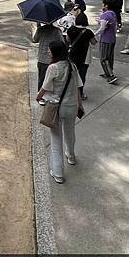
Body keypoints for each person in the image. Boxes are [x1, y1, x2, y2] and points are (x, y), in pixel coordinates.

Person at [36, 40, 84, 184]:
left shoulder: (53, 68)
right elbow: (77, 87)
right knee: (70, 132)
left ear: (55, 52)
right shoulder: (72, 66)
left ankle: (58, 173)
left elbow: (45, 87)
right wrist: (80, 104)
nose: (48, 52)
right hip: (72, 106)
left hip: (57, 107)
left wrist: (38, 97)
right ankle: (71, 155)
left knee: (56, 139)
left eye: (50, 50)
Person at [67, 15, 96, 100]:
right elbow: (93, 42)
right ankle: (80, 93)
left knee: (71, 75)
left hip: (72, 57)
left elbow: (68, 40)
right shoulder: (88, 32)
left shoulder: (71, 30)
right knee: (82, 76)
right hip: (85, 58)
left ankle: (69, 92)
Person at [32, 23, 64, 97]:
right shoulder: (57, 31)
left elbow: (35, 39)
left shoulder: (41, 29)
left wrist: (38, 27)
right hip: (53, 59)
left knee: (42, 79)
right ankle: (51, 95)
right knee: (52, 79)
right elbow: (62, 43)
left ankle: (40, 96)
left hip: (42, 59)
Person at [95, 0, 118, 83]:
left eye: (103, 4)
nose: (102, 6)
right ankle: (108, 73)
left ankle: (111, 75)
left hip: (105, 39)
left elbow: (102, 28)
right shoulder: (113, 14)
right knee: (110, 57)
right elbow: (110, 25)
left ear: (106, 5)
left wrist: (94, 34)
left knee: (104, 59)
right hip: (112, 38)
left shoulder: (104, 15)